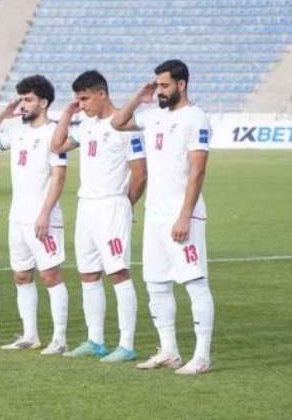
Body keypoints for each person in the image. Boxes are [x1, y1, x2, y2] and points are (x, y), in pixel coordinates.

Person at [111, 59, 215, 375]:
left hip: (182, 216)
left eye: (165, 85)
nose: (160, 91)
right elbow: (117, 122)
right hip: (155, 216)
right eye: (157, 85)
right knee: (155, 283)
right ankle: (169, 351)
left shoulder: (195, 119)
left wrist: (184, 216)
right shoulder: (153, 116)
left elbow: (198, 170)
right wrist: (138, 95)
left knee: (194, 282)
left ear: (181, 84)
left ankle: (201, 356)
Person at [51, 71, 147, 362]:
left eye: (84, 98)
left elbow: (140, 174)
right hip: (86, 207)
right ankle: (95, 340)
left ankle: (127, 344)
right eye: (77, 99)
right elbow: (56, 146)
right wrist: (67, 114)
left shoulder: (125, 126)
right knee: (88, 273)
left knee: (117, 272)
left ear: (101, 94)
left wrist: (125, 205)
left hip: (111, 207)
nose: (81, 104)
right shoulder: (87, 125)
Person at [0, 75, 70, 354]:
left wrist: (45, 213)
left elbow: (58, 178)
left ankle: (60, 338)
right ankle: (30, 334)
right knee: (21, 276)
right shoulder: (17, 131)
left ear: (43, 102)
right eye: (21, 100)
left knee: (50, 276)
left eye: (28, 99)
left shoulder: (54, 134)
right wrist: (2, 115)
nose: (23, 105)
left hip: (43, 218)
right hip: (17, 217)